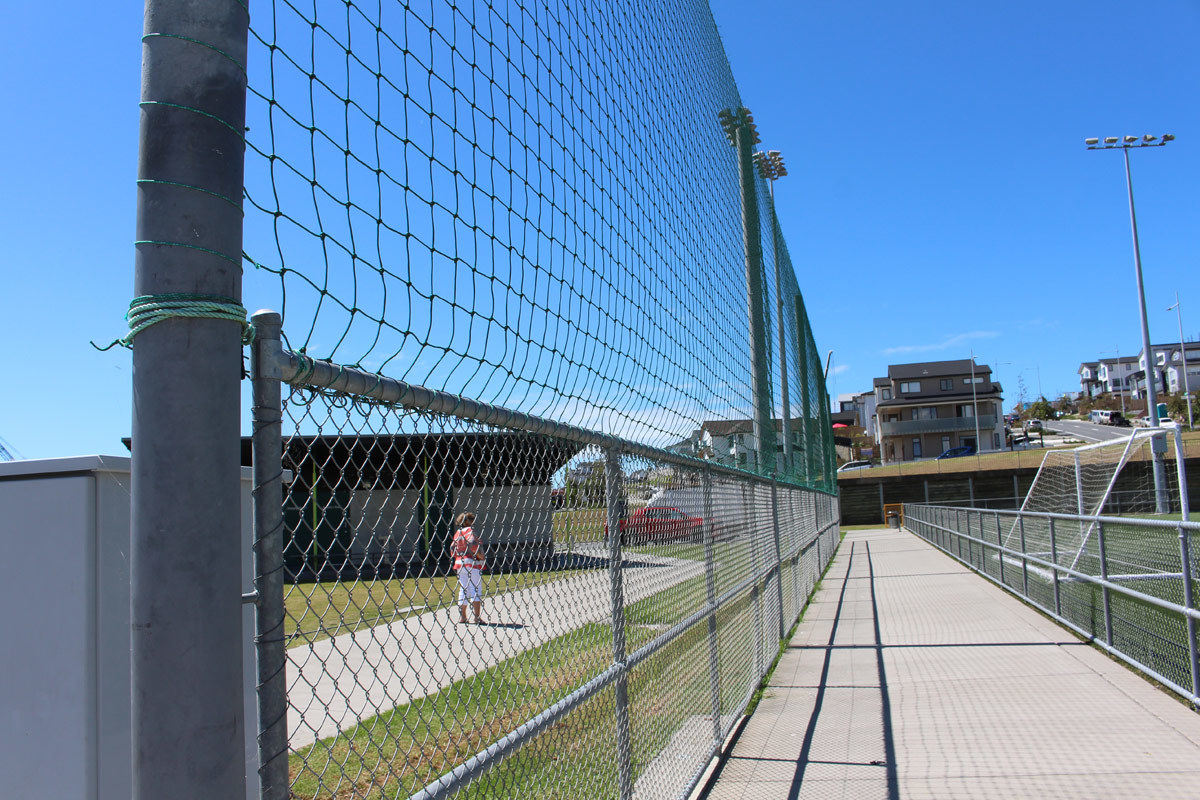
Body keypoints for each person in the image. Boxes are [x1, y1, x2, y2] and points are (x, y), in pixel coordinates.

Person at [451, 511, 485, 625]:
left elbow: (452, 548)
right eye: (471, 520)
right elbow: (472, 544)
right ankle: (477, 617)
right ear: (466, 521)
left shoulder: (458, 533)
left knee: (464, 589)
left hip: (460, 563)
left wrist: (457, 556)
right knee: (476, 589)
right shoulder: (469, 531)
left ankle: (463, 616)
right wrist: (480, 556)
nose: (473, 523)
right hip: (471, 562)